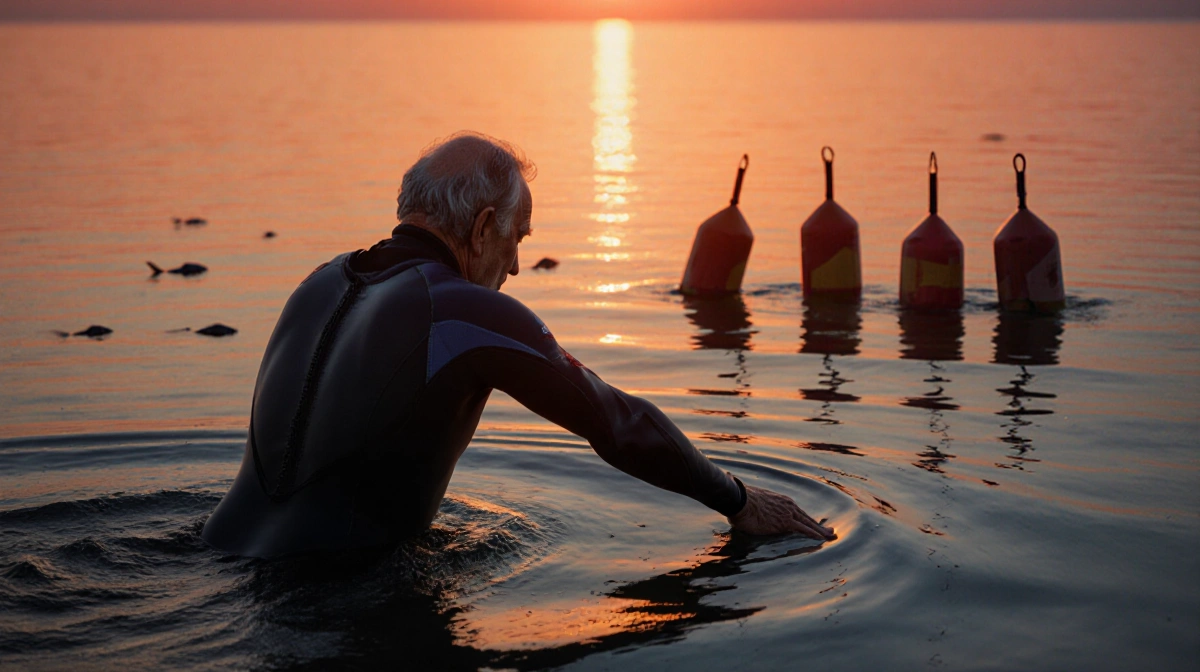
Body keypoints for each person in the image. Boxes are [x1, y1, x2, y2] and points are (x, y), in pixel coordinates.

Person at [201, 132, 835, 559]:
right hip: (330, 593)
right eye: (517, 237)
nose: (516, 265)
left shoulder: (317, 283)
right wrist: (742, 499)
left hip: (219, 551)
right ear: (481, 229)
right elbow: (619, 424)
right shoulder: (463, 310)